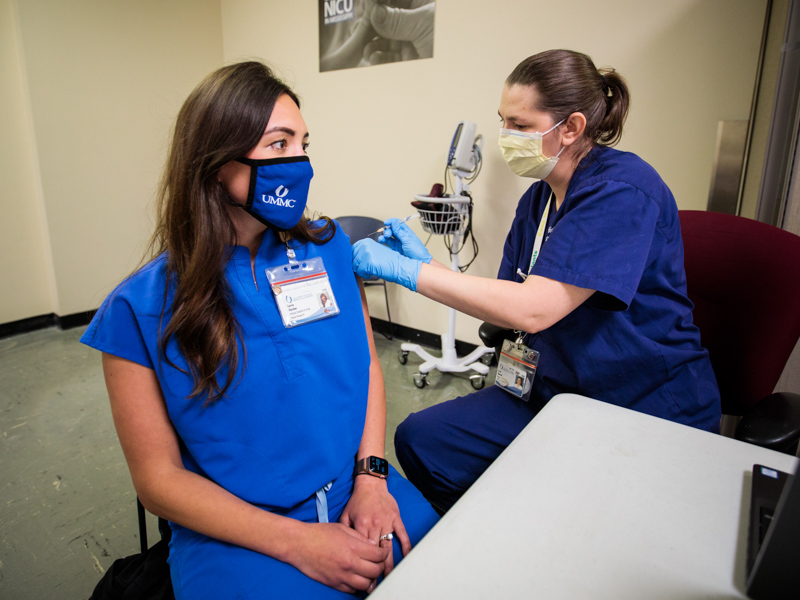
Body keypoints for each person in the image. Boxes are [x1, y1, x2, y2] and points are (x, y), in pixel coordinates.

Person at [81, 60, 438, 598]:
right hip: (238, 530)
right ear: (216, 160)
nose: (298, 162)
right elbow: (158, 480)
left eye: (303, 142)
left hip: (355, 490)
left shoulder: (328, 248)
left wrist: (371, 476)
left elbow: (364, 366)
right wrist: (296, 541)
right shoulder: (137, 308)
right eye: (277, 145)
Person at [351, 49, 721, 514]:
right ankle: (494, 529)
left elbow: (535, 309)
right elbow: (510, 301)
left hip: (637, 401)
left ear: (571, 128)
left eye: (521, 126)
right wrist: (431, 265)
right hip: (553, 389)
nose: (506, 137)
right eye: (503, 121)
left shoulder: (622, 190)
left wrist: (410, 275)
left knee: (586, 510)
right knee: (422, 440)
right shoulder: (537, 201)